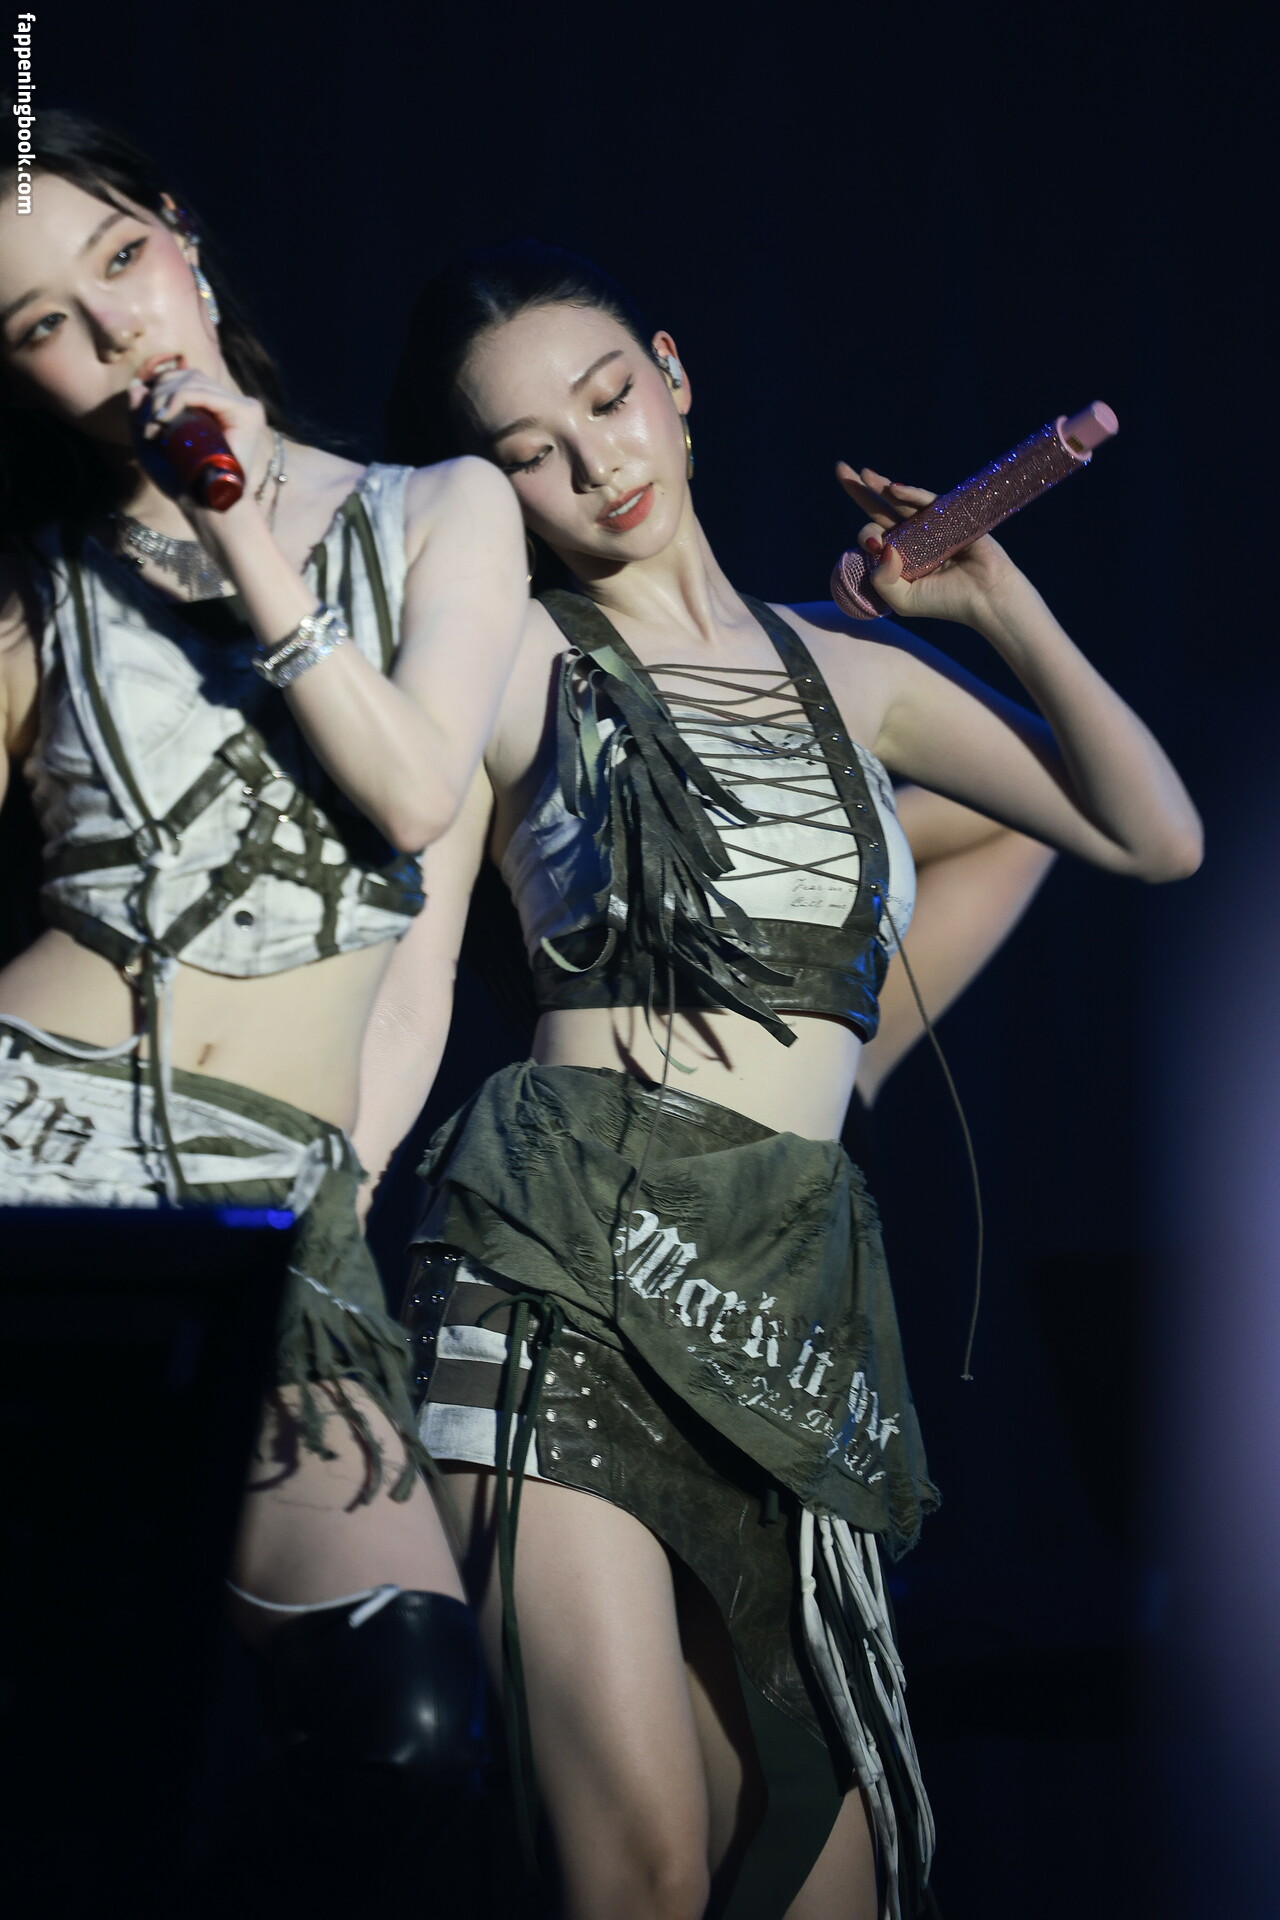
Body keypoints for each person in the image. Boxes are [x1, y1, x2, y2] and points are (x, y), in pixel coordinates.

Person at [358, 241, 1201, 1920]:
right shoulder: (503, 658)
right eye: (530, 451)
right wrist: (321, 1245)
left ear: (674, 376)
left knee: (825, 1874)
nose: (598, 462)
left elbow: (1149, 832)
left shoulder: (853, 674)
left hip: (781, 1289)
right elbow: (409, 978)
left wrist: (995, 603)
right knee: (643, 1867)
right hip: (559, 1261)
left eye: (610, 399)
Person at [0, 110, 527, 1837]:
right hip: (30, 1162)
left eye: (120, 260)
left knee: (410, 1721)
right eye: (44, 325)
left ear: (182, 232)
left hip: (271, 1210)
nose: (115, 329)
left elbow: (413, 796)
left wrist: (237, 526)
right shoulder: (38, 586)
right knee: (66, 1714)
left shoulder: (439, 509)